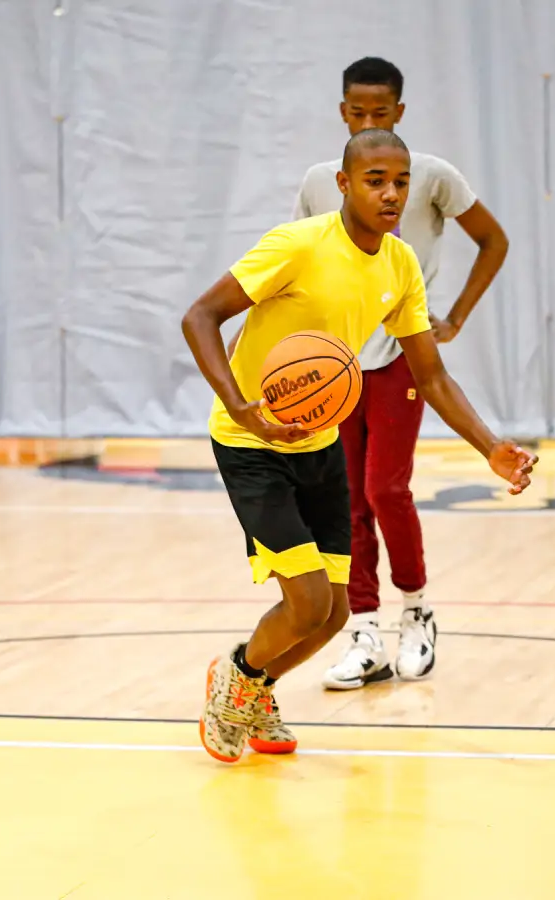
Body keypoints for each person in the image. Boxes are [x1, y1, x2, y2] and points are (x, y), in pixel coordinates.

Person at [182, 128, 537, 763]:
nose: (391, 193)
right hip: (252, 442)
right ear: (344, 184)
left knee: (336, 614)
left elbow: (431, 375)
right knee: (307, 602)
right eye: (375, 181)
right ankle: (235, 682)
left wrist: (489, 447)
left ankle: (253, 688)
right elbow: (200, 316)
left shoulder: (400, 264)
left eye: (401, 182)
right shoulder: (297, 245)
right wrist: (241, 407)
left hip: (319, 441)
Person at [233, 57, 511, 690]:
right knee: (350, 499)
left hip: (401, 355)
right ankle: (363, 629)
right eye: (356, 113)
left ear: (399, 113)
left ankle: (416, 611)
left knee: (387, 488)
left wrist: (455, 318)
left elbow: (493, 240)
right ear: (342, 114)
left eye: (379, 113)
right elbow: (295, 272)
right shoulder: (318, 182)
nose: (367, 121)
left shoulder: (430, 176)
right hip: (333, 364)